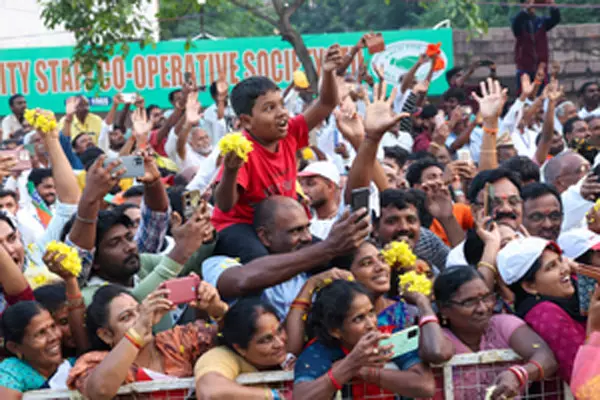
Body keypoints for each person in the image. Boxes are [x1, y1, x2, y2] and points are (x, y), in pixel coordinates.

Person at [211, 45, 342, 260]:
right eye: (269, 108)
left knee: (332, 255)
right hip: (240, 226)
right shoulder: (243, 148)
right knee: (262, 260)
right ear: (246, 121)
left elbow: (326, 103)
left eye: (281, 105)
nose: (282, 113)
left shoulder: (290, 132)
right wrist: (231, 170)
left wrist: (327, 72)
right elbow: (224, 205)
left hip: (284, 227)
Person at [203, 195, 369, 318]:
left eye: (307, 228)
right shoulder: (218, 263)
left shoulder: (311, 270)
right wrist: (328, 248)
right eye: (295, 231)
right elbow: (242, 281)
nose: (307, 238)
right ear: (265, 237)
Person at [67, 283, 223, 398]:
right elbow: (100, 390)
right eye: (126, 317)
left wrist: (218, 309)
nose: (141, 319)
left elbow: (238, 341)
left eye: (139, 311)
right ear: (106, 335)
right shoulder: (96, 361)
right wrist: (138, 332)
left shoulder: (175, 340)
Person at [293, 280, 436, 399]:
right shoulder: (319, 350)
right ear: (335, 330)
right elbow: (301, 397)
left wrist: (363, 371)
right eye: (359, 318)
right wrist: (350, 363)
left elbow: (425, 386)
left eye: (371, 312)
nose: (371, 324)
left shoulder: (390, 336)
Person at [434, 265, 557, 399]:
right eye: (469, 302)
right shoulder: (440, 339)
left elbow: (546, 358)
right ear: (444, 309)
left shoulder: (502, 325)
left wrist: (518, 374)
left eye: (487, 298)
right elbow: (434, 352)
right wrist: (423, 305)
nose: (483, 308)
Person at [497, 237, 583, 383]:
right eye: (551, 267)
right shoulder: (545, 314)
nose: (565, 269)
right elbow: (581, 372)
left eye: (560, 260)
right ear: (530, 286)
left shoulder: (569, 299)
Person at [194, 297, 294, 399]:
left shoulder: (285, 359)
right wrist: (273, 396)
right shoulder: (221, 356)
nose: (280, 344)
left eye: (280, 330)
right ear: (239, 348)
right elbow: (210, 392)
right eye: (266, 339)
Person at [0, 301, 75, 396]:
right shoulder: (10, 372)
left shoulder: (75, 366)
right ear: (14, 347)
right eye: (41, 333)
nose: (54, 337)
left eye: (53, 326)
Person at [405, 158, 474, 246]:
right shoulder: (409, 214)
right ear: (417, 186)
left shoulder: (459, 209)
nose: (439, 182)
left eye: (442, 177)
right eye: (432, 177)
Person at [511, 0, 560, 92]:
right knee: (524, 96)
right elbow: (516, 26)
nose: (531, 5)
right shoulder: (518, 21)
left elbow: (555, 19)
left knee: (542, 96)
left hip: (541, 68)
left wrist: (551, 4)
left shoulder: (541, 21)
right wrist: (526, 9)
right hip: (524, 68)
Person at [298, 161, 342, 239]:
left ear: (330, 186)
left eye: (310, 184)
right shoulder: (305, 224)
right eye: (301, 184)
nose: (304, 190)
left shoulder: (345, 219)